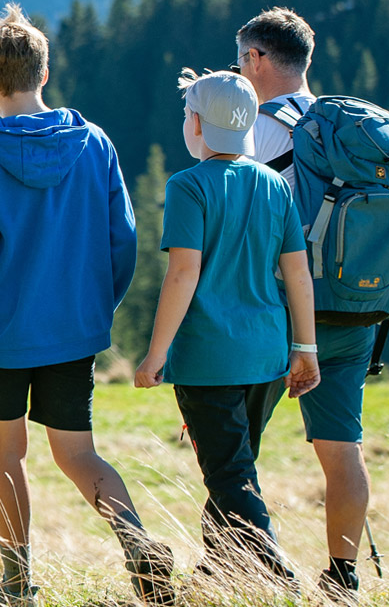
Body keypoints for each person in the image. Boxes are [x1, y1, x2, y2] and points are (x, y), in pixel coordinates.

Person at [0, 4, 171, 607]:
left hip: (3, 338)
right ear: (43, 72)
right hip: (73, 330)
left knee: (5, 455)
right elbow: (123, 241)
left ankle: (15, 586)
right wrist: (95, 309)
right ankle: (139, 543)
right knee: (78, 452)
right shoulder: (95, 145)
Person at [133, 69, 321, 589]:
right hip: (267, 355)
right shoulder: (273, 186)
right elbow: (297, 273)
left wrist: (155, 355)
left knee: (228, 473)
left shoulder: (188, 186)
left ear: (196, 124)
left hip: (208, 359)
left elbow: (183, 273)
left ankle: (275, 570)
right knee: (235, 466)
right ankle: (220, 571)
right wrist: (305, 347)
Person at [237, 7, 374, 603]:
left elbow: (238, 219)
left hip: (285, 311)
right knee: (342, 448)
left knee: (231, 444)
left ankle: (239, 565)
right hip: (356, 307)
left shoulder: (263, 129)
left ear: (257, 59)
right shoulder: (338, 127)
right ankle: (342, 578)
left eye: (240, 58)